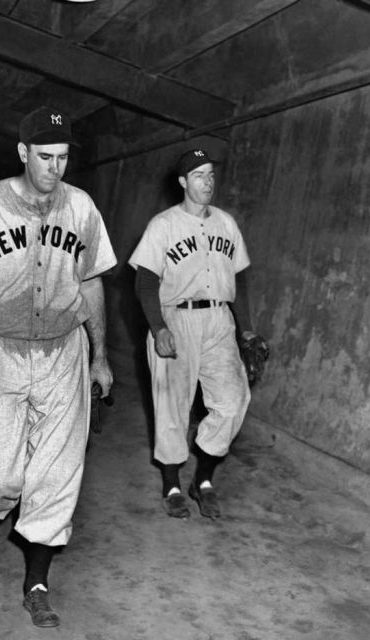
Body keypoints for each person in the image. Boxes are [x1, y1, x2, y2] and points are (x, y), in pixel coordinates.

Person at [0, 105, 116, 628]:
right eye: (44, 157)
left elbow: (91, 282)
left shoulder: (81, 208)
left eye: (62, 158)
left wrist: (99, 355)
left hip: (63, 351)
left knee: (58, 472)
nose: (54, 168)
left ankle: (37, 582)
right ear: (22, 152)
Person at [128, 148, 259, 520]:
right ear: (183, 181)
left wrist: (245, 330)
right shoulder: (164, 225)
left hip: (219, 320)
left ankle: (202, 479)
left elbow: (240, 279)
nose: (208, 182)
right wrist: (159, 328)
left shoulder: (226, 223)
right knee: (172, 404)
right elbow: (145, 282)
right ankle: (171, 484)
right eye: (199, 175)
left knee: (233, 401)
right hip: (176, 318)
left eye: (211, 175)